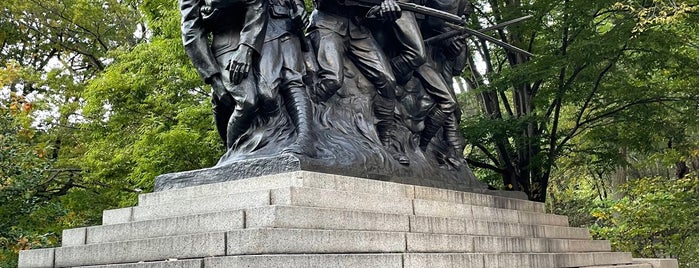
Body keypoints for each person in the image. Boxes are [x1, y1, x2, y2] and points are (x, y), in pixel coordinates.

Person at [308, 0, 409, 164]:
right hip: (327, 24)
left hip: (358, 29)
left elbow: (373, 10)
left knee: (388, 81)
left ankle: (386, 141)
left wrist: (387, 8)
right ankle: (306, 126)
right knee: (332, 79)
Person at [179, 0, 268, 149]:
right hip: (225, 45)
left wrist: (245, 49)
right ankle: (232, 154)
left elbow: (257, 5)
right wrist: (213, 78)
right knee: (246, 101)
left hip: (257, 40)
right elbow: (191, 31)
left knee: (272, 93)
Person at [258, 0, 314, 154]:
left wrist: (300, 9)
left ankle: (305, 138)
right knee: (267, 93)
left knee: (294, 81)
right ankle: (274, 137)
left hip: (286, 26)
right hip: (258, 32)